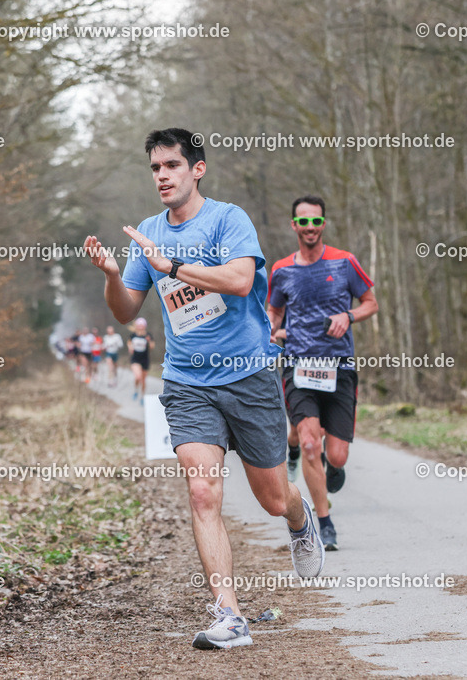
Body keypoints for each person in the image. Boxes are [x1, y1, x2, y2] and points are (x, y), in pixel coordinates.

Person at [83, 128, 324, 650]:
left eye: (172, 165)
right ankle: (229, 614)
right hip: (188, 381)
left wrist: (170, 264)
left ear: (197, 169)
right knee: (201, 490)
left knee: (271, 498)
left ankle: (300, 516)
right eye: (155, 168)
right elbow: (126, 310)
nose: (163, 176)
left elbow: (239, 281)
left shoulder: (228, 220)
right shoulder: (146, 231)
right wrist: (109, 275)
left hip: (248, 376)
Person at [267, 194, 379, 552]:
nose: (310, 228)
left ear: (323, 225)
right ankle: (324, 523)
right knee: (312, 443)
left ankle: (328, 463)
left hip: (339, 367)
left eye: (316, 221)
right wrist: (273, 333)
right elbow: (274, 313)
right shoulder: (282, 270)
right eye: (304, 222)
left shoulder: (345, 262)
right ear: (294, 226)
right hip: (299, 367)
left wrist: (349, 316)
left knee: (338, 456)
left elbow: (371, 303)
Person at [127, 318, 154, 400]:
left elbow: (152, 347)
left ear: (145, 326)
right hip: (135, 359)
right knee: (138, 377)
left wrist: (148, 342)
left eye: (142, 326)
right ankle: (136, 391)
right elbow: (129, 343)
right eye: (139, 326)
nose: (141, 327)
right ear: (137, 326)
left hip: (145, 360)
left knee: (143, 380)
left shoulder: (148, 336)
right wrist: (130, 347)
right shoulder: (133, 335)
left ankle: (142, 396)